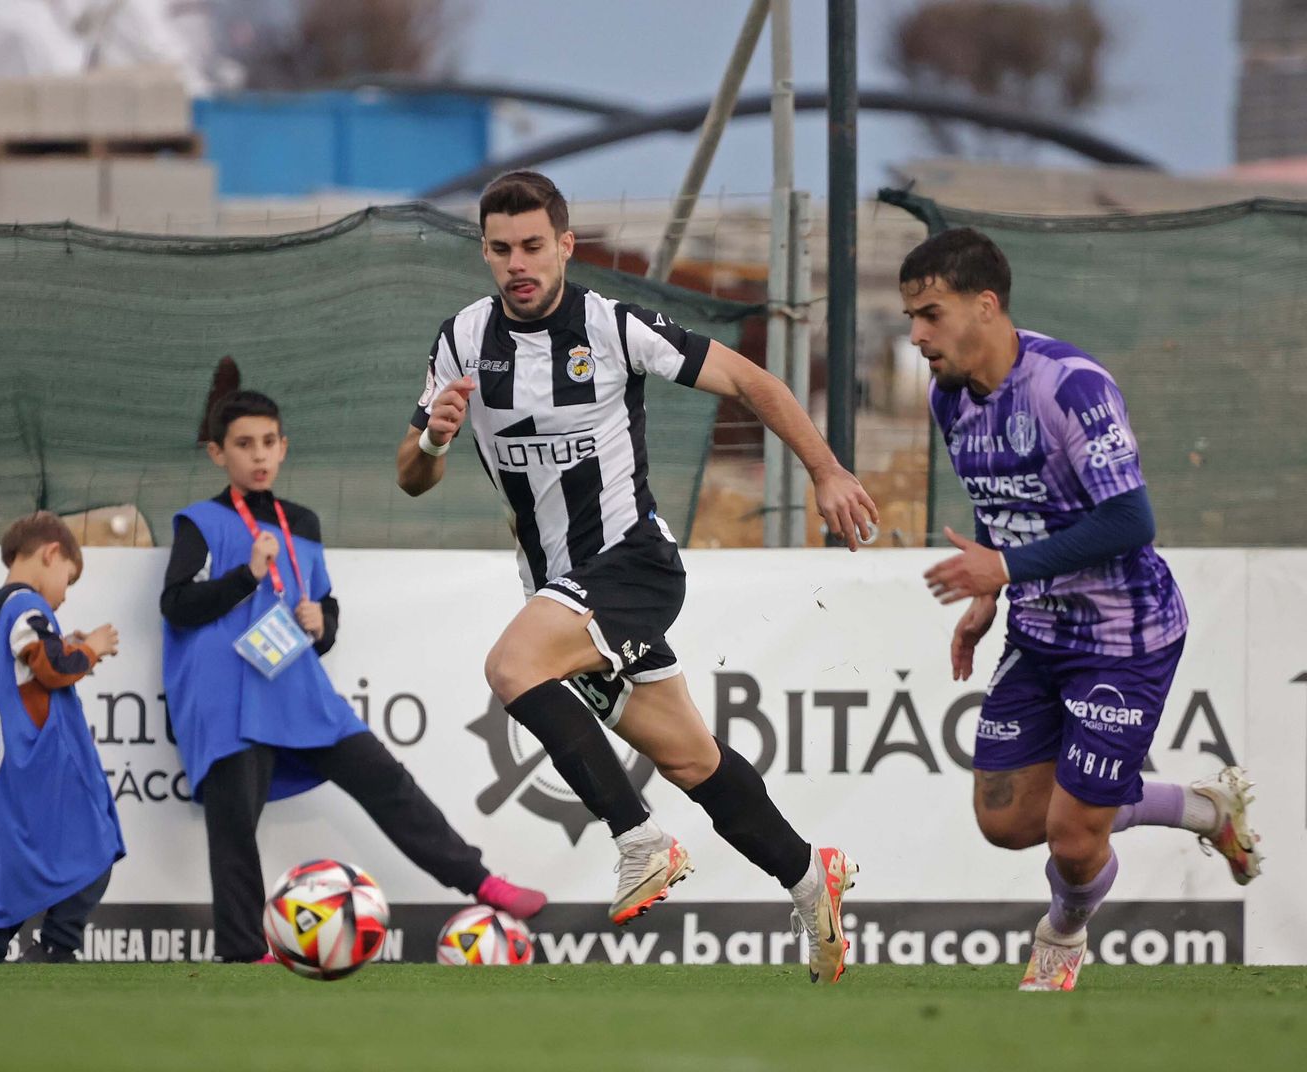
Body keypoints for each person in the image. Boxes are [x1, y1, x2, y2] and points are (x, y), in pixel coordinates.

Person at [395, 170, 878, 985]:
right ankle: (808, 878)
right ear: (484, 251)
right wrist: (436, 439)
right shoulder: (461, 341)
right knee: (693, 760)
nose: (519, 263)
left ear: (565, 246)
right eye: (503, 249)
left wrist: (827, 470)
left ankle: (639, 840)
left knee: (513, 667)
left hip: (631, 567)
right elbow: (412, 477)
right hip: (555, 592)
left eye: (534, 247)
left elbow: (752, 381)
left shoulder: (613, 328)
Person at [903, 227, 1263, 992]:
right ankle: (1203, 810)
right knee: (1003, 821)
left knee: (1071, 837)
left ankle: (1061, 935)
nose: (917, 336)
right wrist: (991, 594)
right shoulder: (949, 397)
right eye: (912, 319)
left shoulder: (1071, 386)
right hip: (1037, 629)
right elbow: (1005, 507)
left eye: (931, 314)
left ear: (986, 305)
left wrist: (1001, 565)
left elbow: (1131, 522)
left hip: (1123, 638)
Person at [162, 374, 546, 965]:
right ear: (219, 453)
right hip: (227, 699)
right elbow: (177, 606)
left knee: (389, 784)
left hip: (296, 689)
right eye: (244, 444)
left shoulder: (303, 523)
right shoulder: (199, 523)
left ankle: (483, 883)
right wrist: (245, 576)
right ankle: (243, 955)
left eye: (269, 442)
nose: (259, 454)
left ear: (284, 447)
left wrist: (323, 623)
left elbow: (325, 609)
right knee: (234, 826)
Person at [0, 511, 125, 964]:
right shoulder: (26, 606)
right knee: (97, 849)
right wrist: (91, 649)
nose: (64, 597)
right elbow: (51, 669)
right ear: (52, 554)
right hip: (38, 773)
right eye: (67, 580)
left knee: (0, 887)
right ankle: (54, 948)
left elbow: (30, 671)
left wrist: (63, 644)